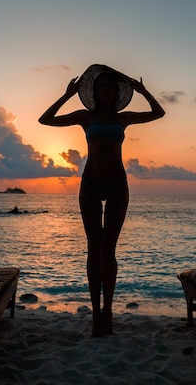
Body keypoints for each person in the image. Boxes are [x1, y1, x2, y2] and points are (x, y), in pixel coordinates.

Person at [39, 64, 165, 336]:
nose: (105, 90)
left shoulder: (124, 119)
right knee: (92, 248)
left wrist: (144, 91)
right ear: (94, 91)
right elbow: (45, 120)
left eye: (109, 86)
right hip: (90, 185)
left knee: (108, 250)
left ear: (116, 91)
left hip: (118, 185)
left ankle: (108, 311)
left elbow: (159, 113)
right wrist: (67, 95)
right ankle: (96, 314)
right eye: (101, 86)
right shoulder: (85, 117)